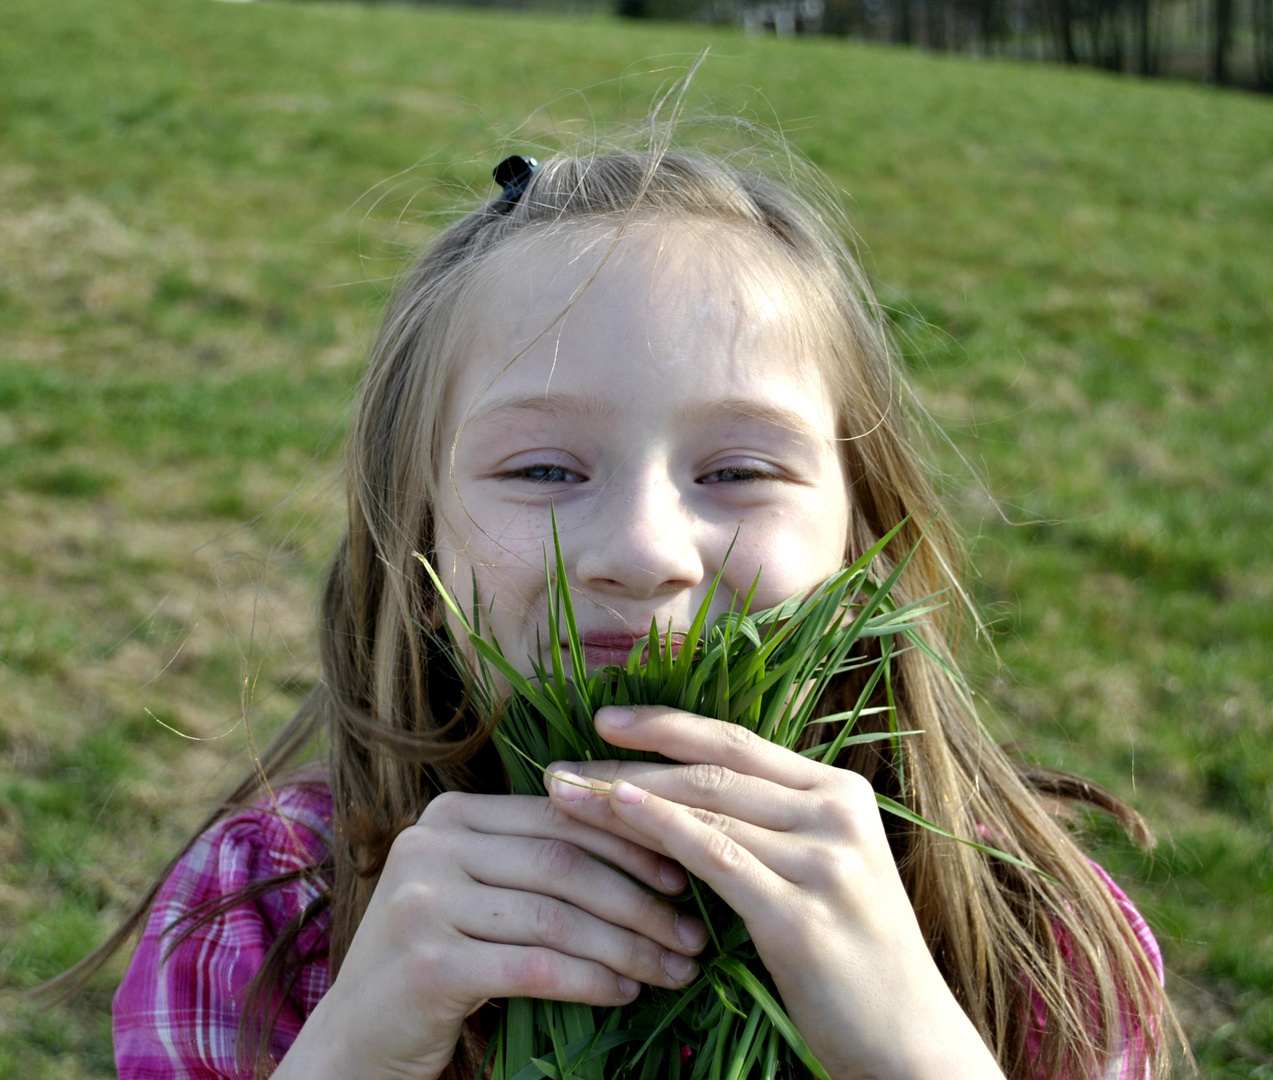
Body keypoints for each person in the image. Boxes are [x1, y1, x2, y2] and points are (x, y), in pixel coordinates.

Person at [53, 135, 1173, 1080]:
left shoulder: (1035, 943)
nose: (642, 555)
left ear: (865, 532)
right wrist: (354, 1050)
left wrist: (919, 1055)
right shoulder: (258, 913)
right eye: (543, 471)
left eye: (738, 471)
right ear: (415, 532)